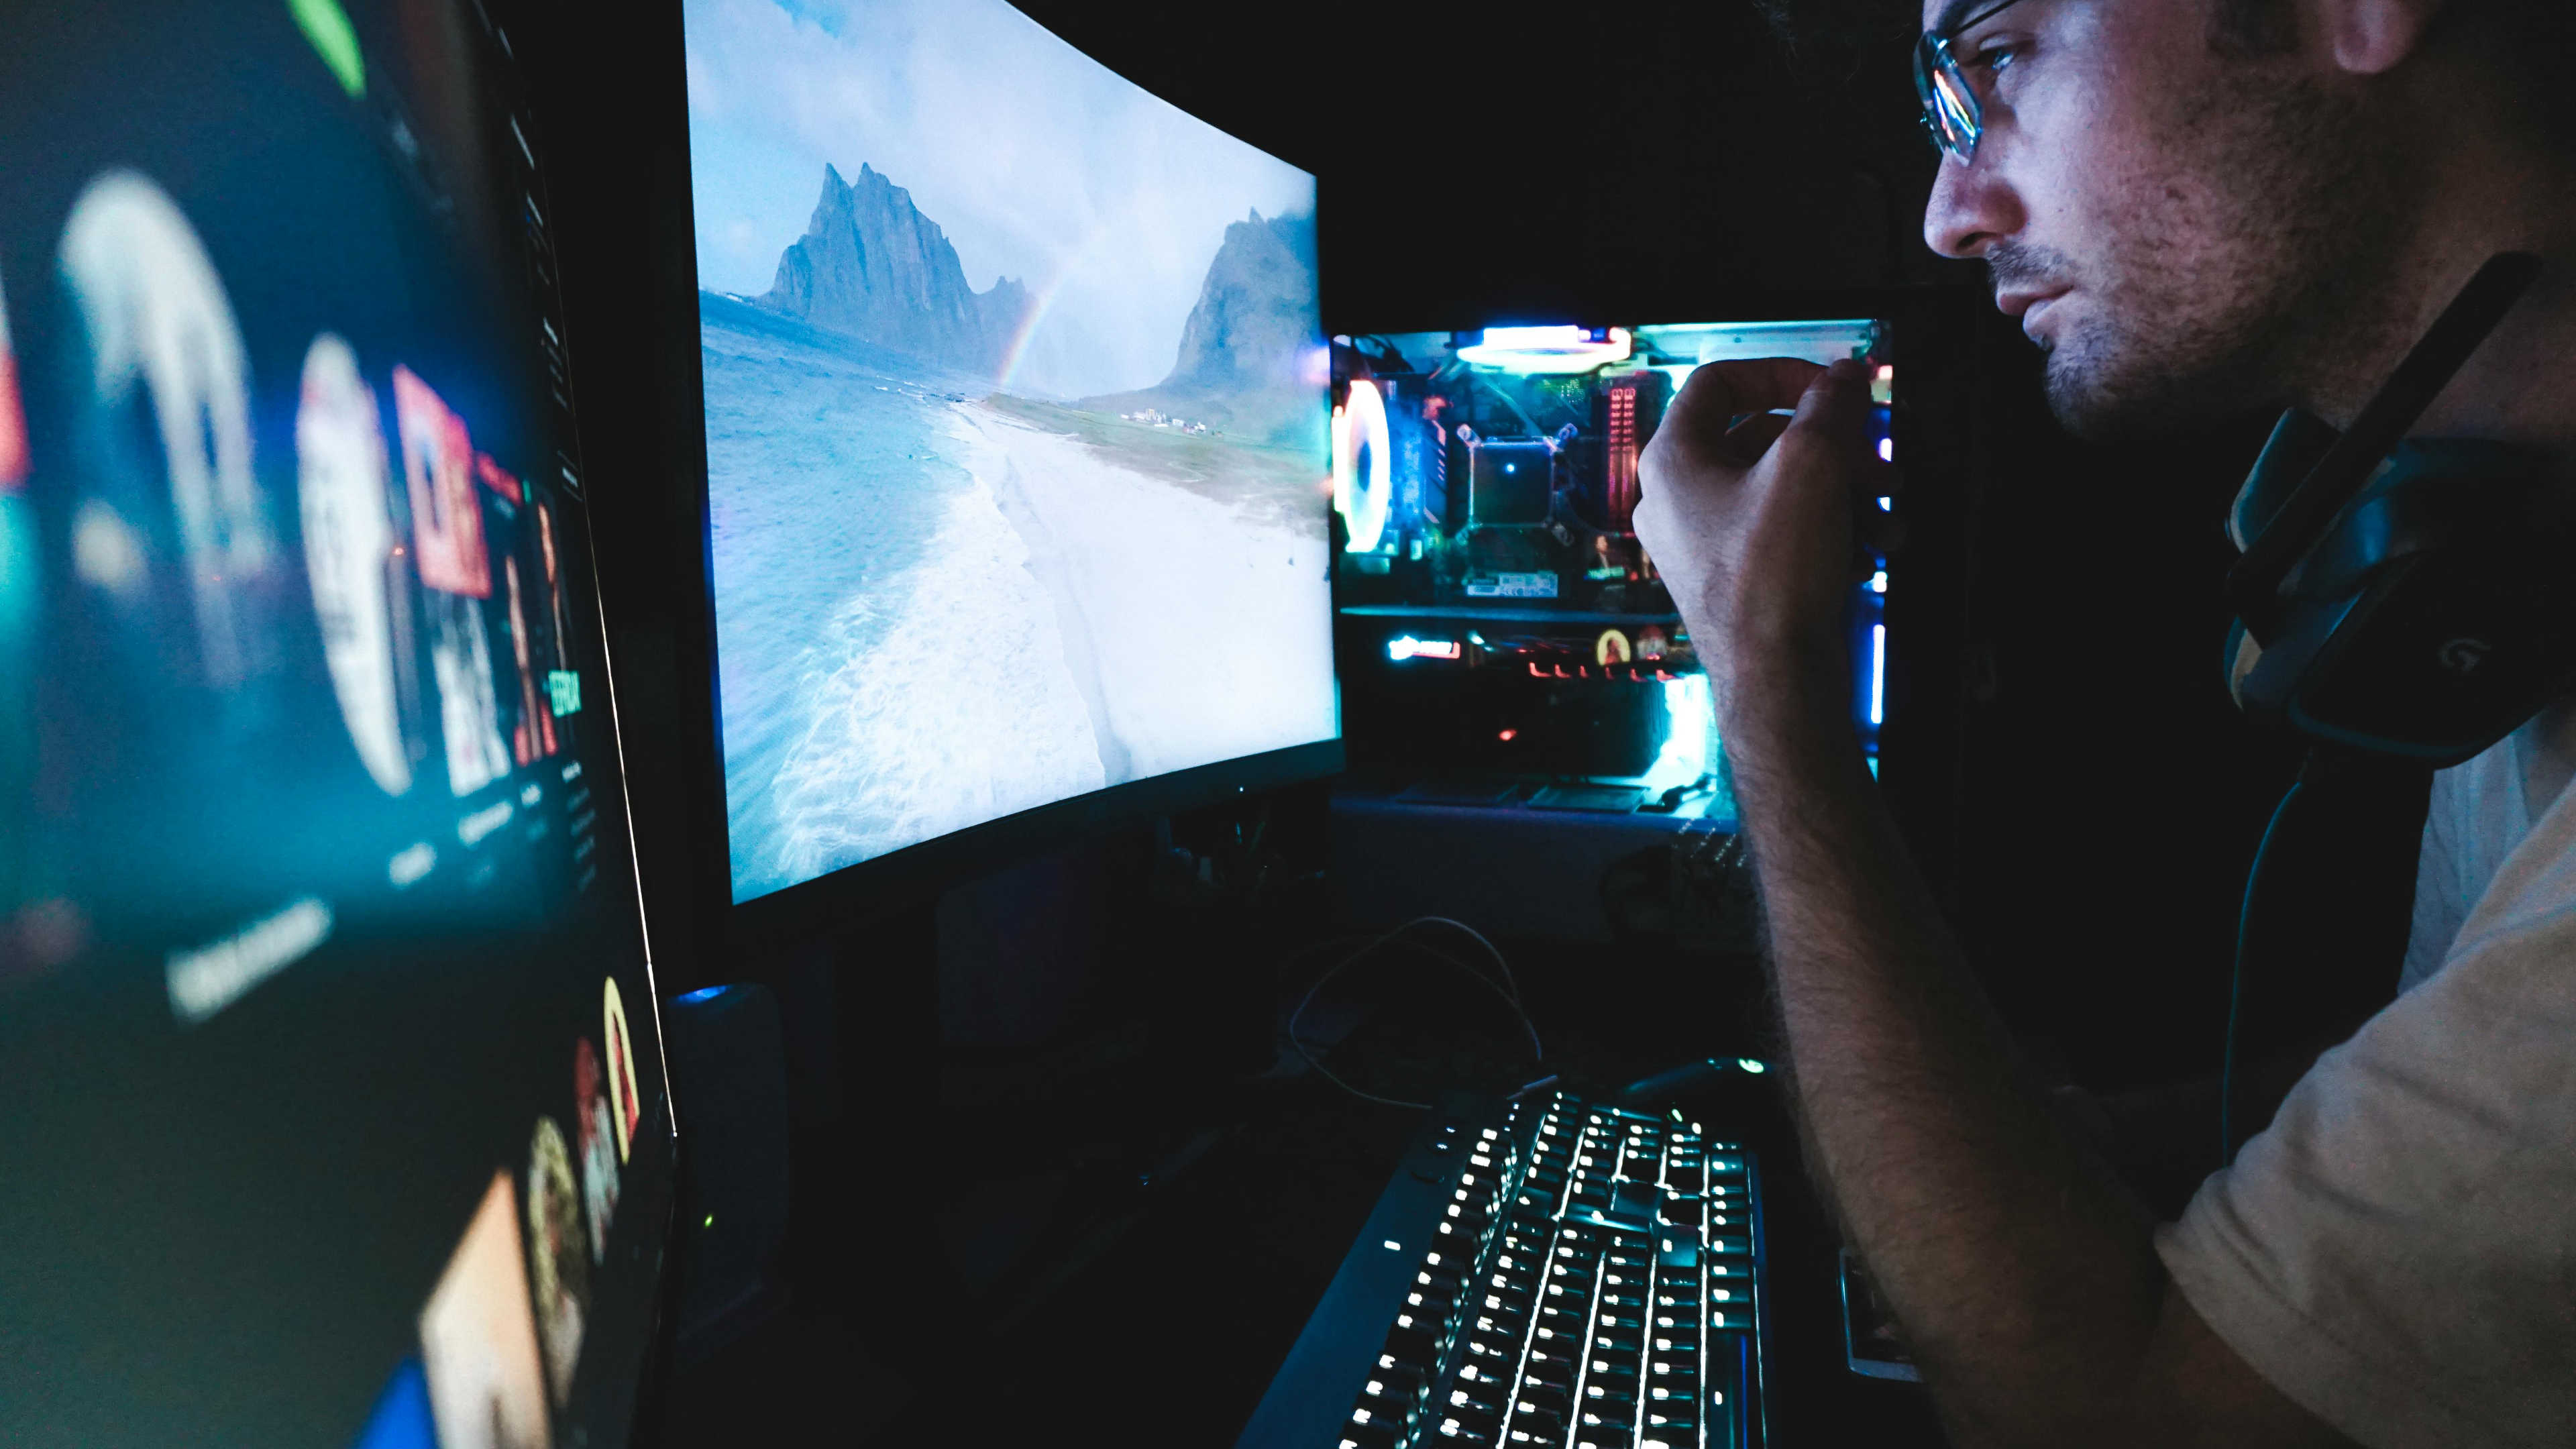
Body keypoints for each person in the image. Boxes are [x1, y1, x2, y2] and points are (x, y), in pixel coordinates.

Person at [1631, 1, 2576, 1444]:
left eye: (2001, 54)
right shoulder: (2510, 549)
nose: (1952, 214)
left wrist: (1764, 667)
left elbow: (2101, 1425)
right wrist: (2105, 1149)